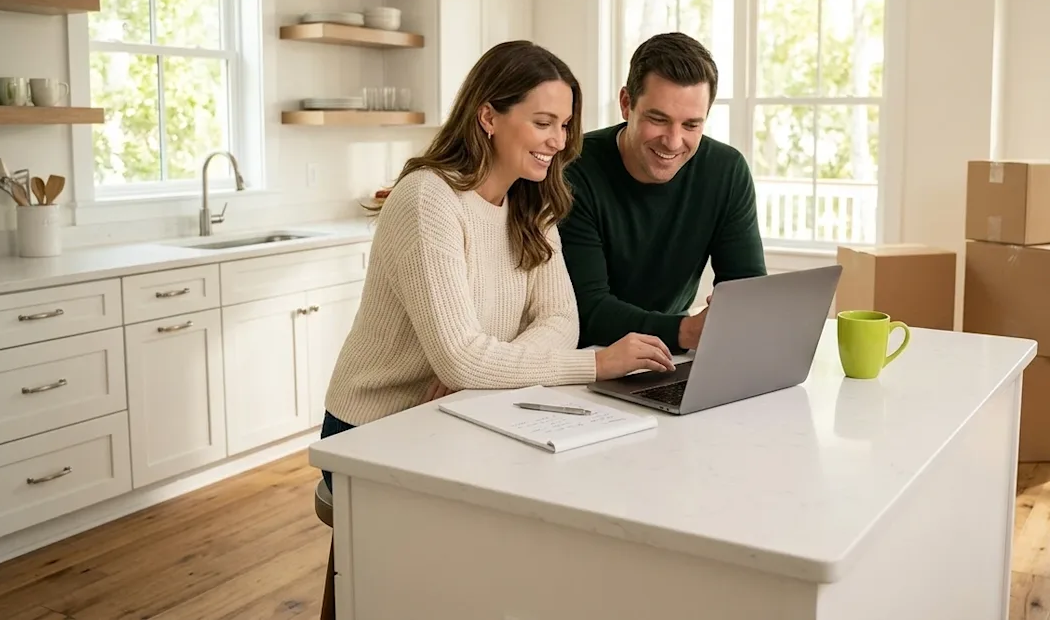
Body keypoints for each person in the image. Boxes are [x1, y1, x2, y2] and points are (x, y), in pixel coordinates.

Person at [318, 41, 676, 490]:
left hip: (465, 411)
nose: (559, 141)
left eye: (564, 125)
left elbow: (561, 319)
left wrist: (477, 379)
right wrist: (596, 364)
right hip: (374, 430)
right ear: (488, 117)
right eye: (543, 123)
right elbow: (461, 359)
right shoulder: (428, 199)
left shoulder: (533, 202)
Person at [559, 32, 767, 354]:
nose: (672, 141)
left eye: (691, 125)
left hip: (671, 354)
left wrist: (732, 318)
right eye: (658, 119)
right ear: (626, 104)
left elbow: (747, 290)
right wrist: (685, 331)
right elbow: (587, 310)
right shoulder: (574, 169)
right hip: (588, 357)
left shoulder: (726, 171)